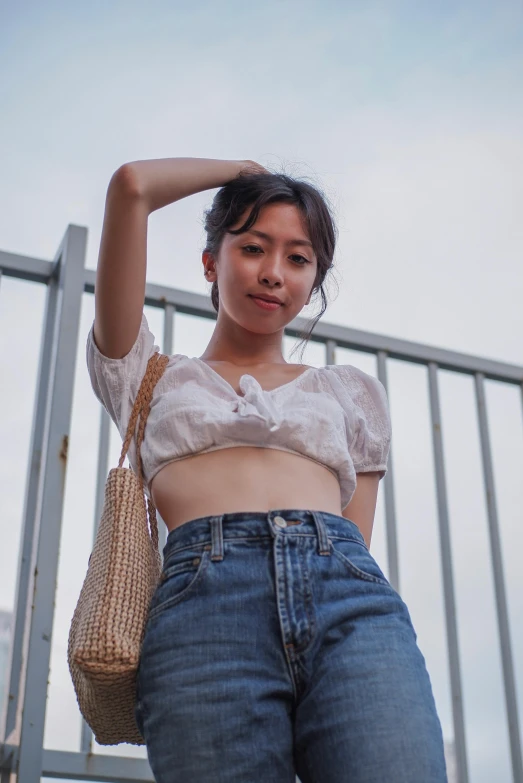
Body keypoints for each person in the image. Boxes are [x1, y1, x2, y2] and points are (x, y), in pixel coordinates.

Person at [86, 158, 448, 782]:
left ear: (313, 280)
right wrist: (241, 172)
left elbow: (355, 540)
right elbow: (131, 188)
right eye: (253, 247)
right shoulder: (148, 376)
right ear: (210, 262)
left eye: (298, 259)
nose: (274, 273)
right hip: (204, 611)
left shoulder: (351, 393)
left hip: (350, 603)